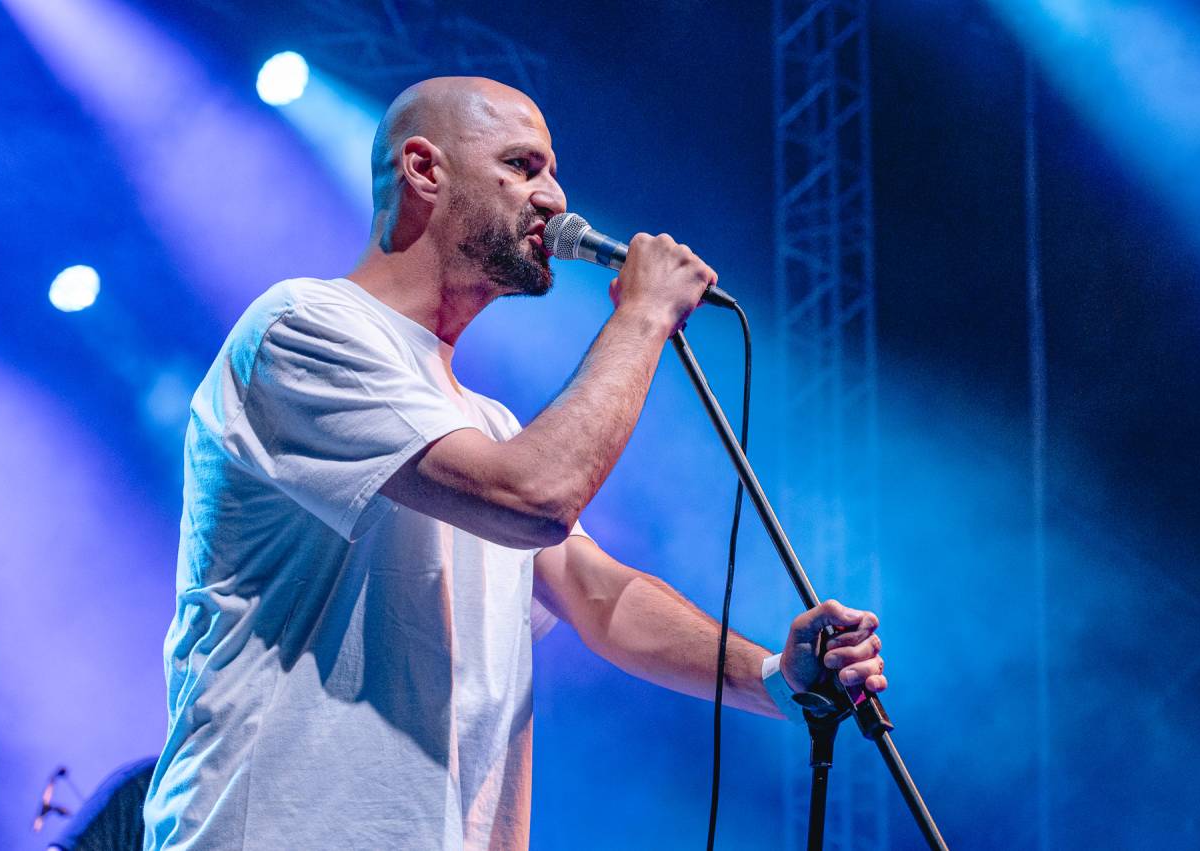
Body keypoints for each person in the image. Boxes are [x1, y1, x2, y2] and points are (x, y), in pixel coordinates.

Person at [141, 77, 886, 850]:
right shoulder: (301, 329)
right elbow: (535, 497)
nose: (555, 196)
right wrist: (643, 315)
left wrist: (775, 675)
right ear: (424, 169)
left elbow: (602, 597)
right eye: (523, 166)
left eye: (552, 171)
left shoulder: (486, 425)